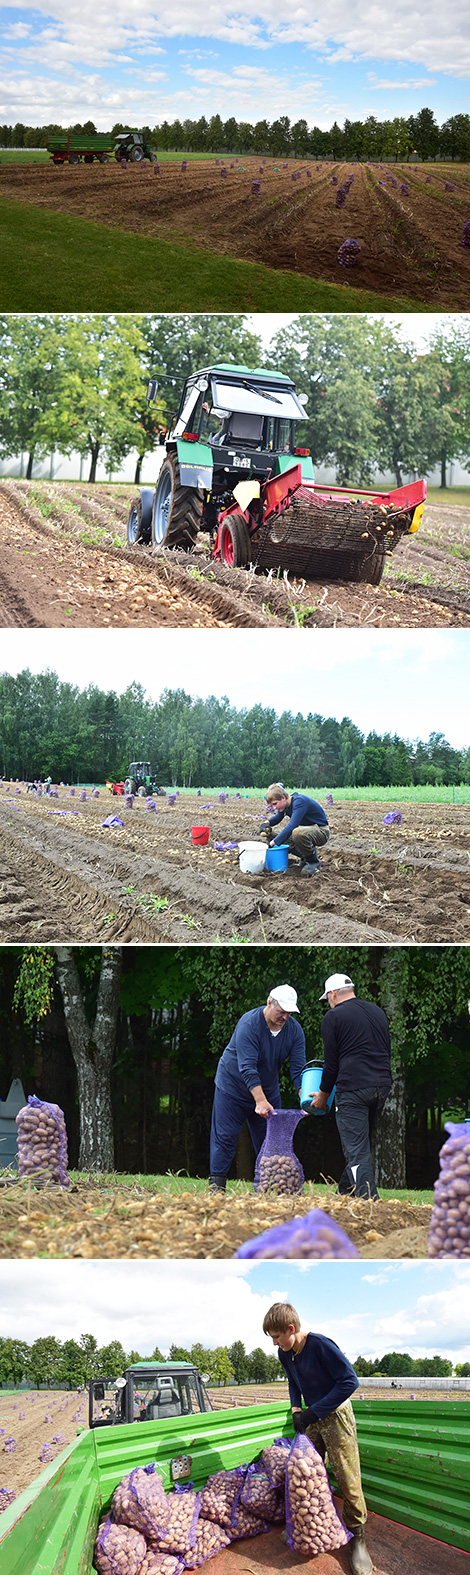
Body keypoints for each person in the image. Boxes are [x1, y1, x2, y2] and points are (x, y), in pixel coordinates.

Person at [263, 1301, 372, 1575]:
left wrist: (314, 1412)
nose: (275, 1343)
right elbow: (292, 1381)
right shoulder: (285, 1353)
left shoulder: (320, 1345)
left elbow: (349, 1382)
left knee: (347, 1476)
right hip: (311, 1416)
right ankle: (312, 1525)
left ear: (291, 1329)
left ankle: (357, 1536)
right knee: (306, 1472)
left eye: (277, 1336)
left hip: (336, 1417)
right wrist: (296, 1409)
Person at [209, 986, 306, 1191]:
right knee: (225, 1139)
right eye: (281, 1011)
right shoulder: (249, 1024)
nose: (285, 1017)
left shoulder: (295, 1031)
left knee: (271, 1143)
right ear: (269, 1003)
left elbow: (298, 1070)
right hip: (232, 1088)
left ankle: (270, 1190)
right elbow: (247, 1067)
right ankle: (216, 1190)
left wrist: (304, 1098)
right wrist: (259, 1101)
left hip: (268, 1091)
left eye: (289, 1013)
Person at [310, 973, 392, 1199]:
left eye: (327, 998)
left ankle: (369, 1204)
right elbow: (387, 1052)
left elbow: (331, 1064)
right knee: (359, 1145)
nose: (328, 1002)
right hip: (381, 1086)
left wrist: (323, 1096)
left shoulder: (333, 1017)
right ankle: (343, 1196)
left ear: (333, 993)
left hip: (352, 1089)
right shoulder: (378, 1012)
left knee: (356, 1151)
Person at [262, 783, 330, 876]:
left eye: (275, 804)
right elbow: (277, 818)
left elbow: (292, 826)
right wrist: (266, 824)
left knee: (297, 833)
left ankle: (313, 862)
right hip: (307, 830)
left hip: (321, 830)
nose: (274, 808)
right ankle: (304, 857)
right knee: (273, 834)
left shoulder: (299, 802)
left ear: (283, 798)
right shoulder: (286, 806)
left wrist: (272, 843)